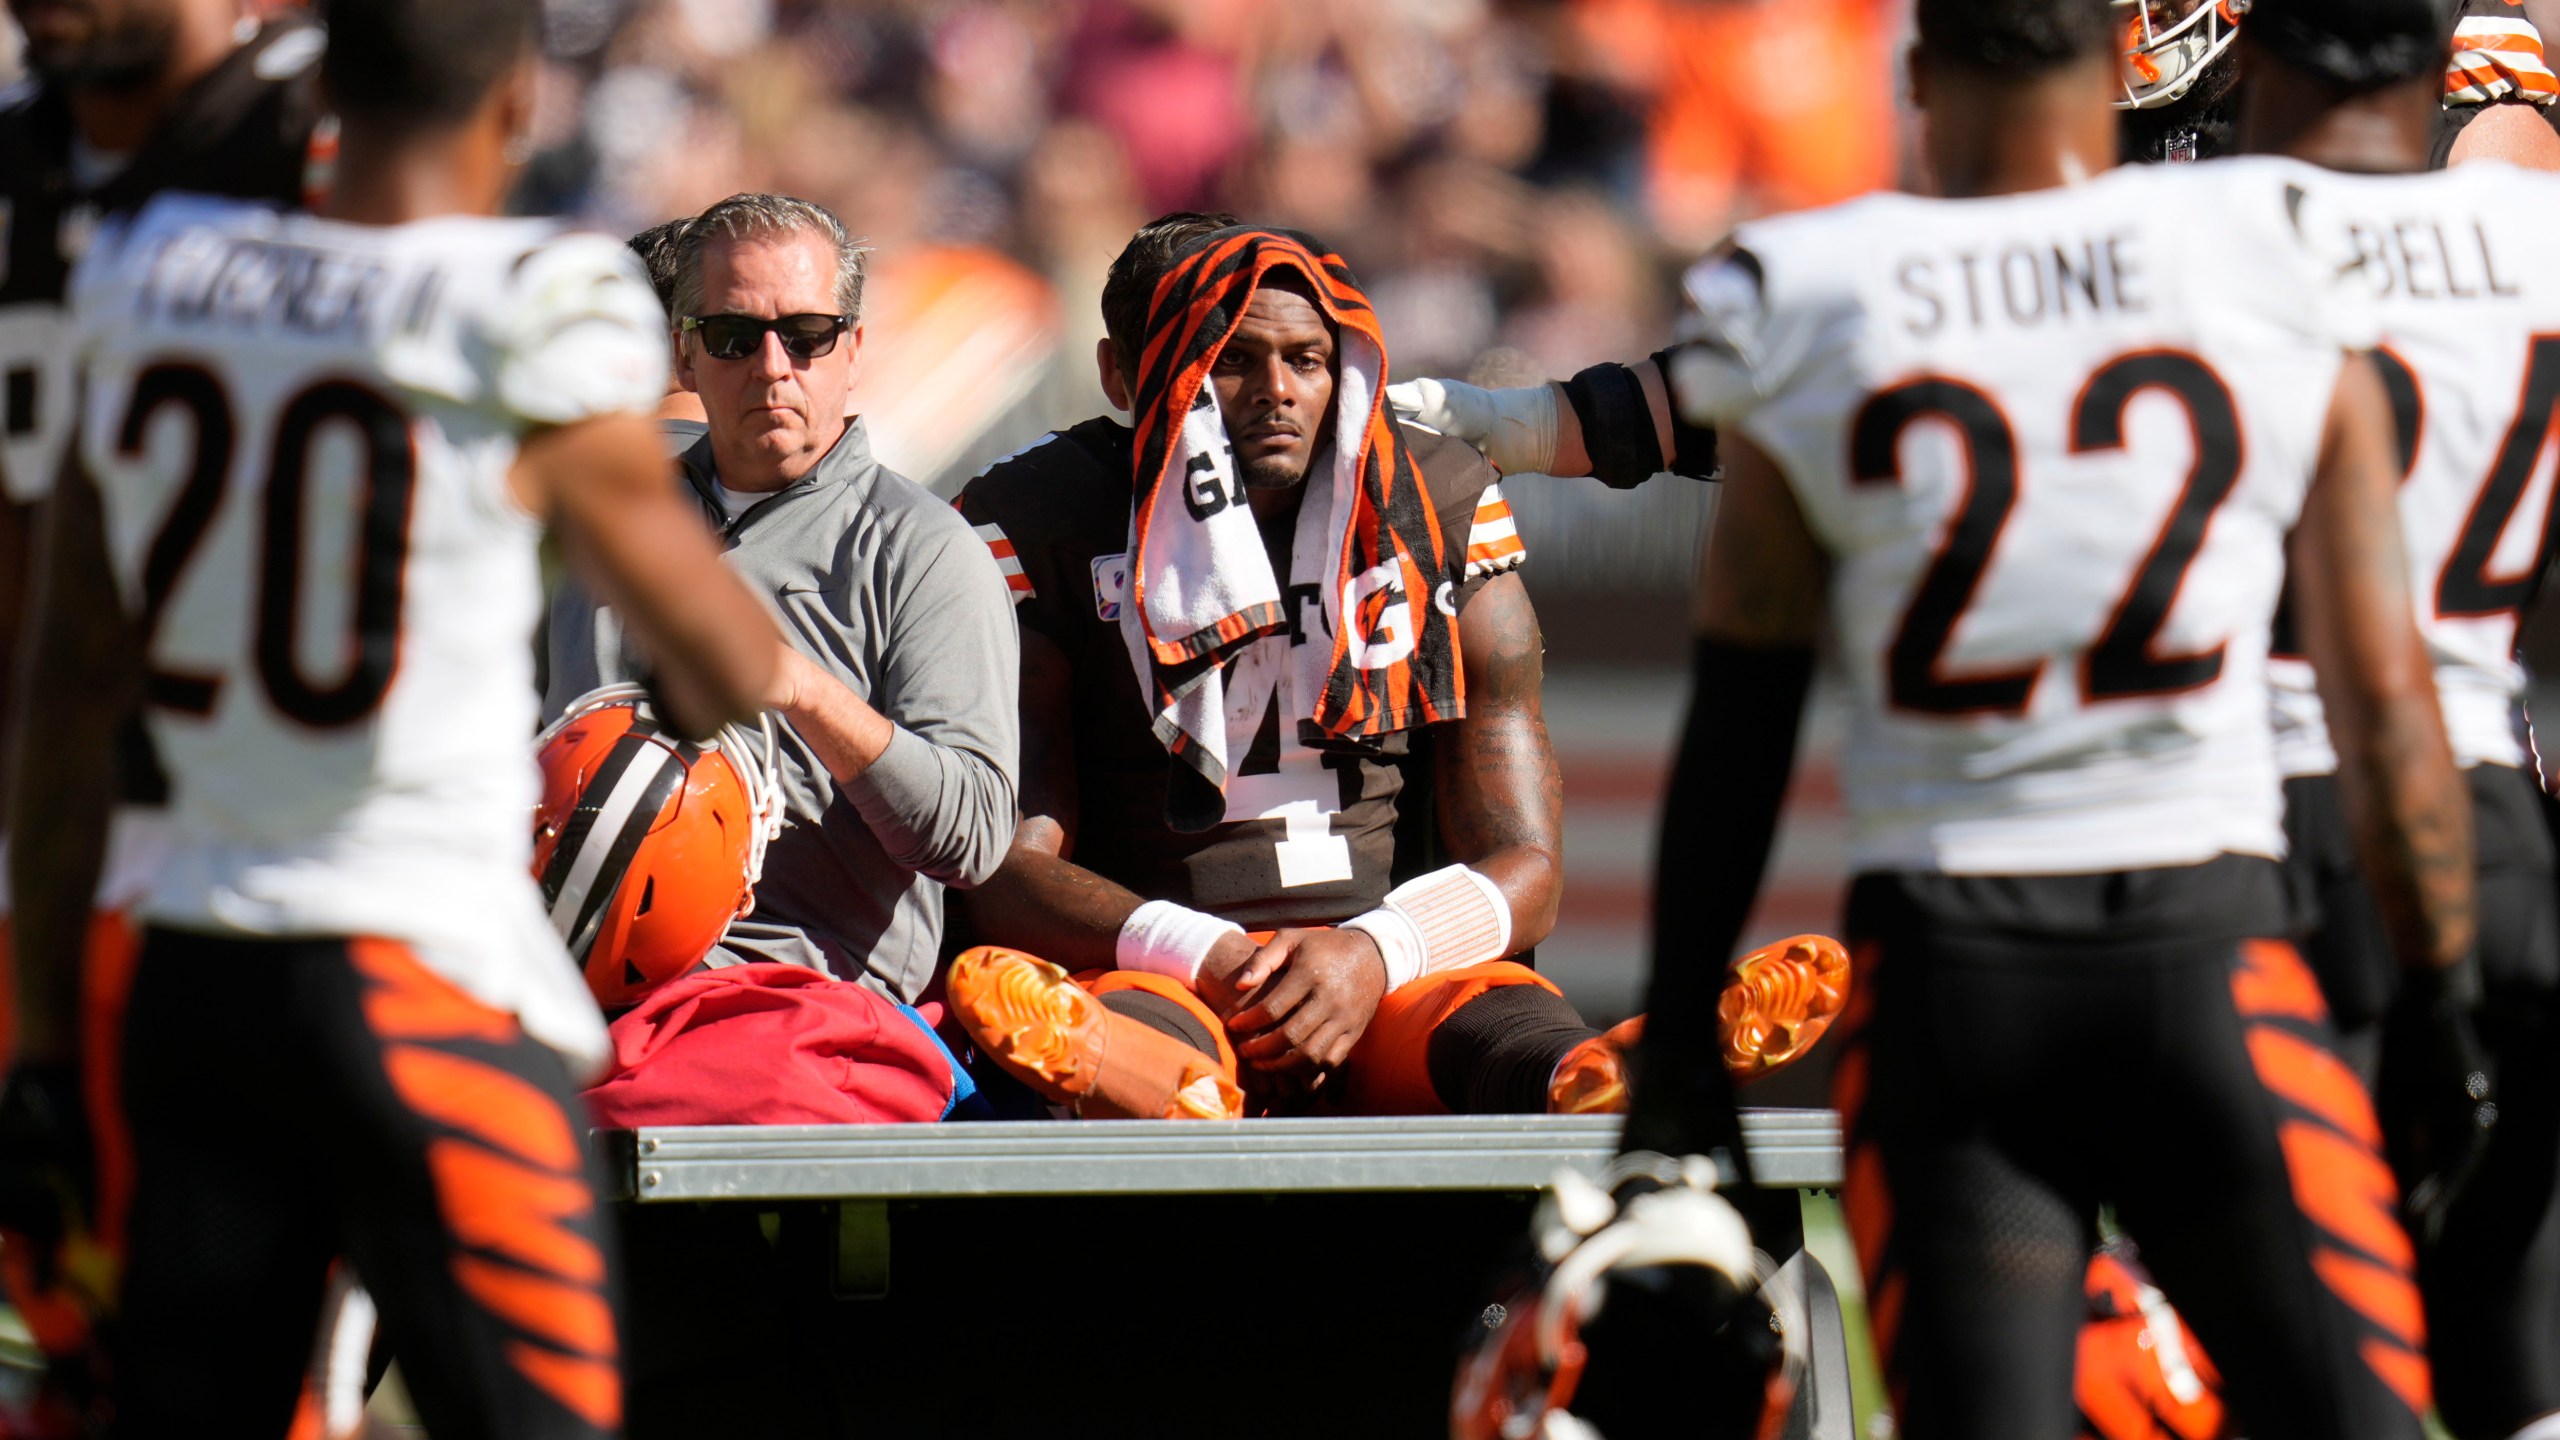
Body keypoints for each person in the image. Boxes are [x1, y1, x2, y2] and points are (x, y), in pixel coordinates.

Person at [1404, 0, 2481, 1432]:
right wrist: (2445, 984)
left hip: (1950, 979)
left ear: (1914, 74)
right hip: (2213, 939)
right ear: (2118, 68)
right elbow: (2386, 684)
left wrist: (1676, 1056)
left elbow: (1741, 725)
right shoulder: (2266, 246)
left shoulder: (1819, 289)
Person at [1, 0, 788, 1431]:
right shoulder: (523, 304)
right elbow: (730, 661)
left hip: (187, 972)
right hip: (415, 969)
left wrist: (48, 1036)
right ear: (518, 105)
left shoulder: (146, 270)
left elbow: (61, 691)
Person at [953, 213, 1747, 1120]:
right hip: (1163, 966)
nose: (1276, 392)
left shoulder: (1434, 491)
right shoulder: (1045, 513)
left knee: (1499, 1028)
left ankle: (1601, 1074)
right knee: (1136, 1030)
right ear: (1133, 372)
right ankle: (1161, 1082)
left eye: (1306, 359)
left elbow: (1529, 865)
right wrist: (1202, 951)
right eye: (1233, 359)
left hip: (1389, 969)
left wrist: (1375, 951)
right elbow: (1006, 865)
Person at [2236, 2, 2560, 1433]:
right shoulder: (2534, 252)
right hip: (2489, 793)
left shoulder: (2216, 248)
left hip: (2272, 812)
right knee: (2509, 1328)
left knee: (2294, 1338)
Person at [544, 192, 1020, 1007]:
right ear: (685, 358)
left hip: (792, 1002)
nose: (772, 368)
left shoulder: (925, 549)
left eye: (807, 337)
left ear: (855, 349)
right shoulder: (600, 516)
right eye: (735, 338)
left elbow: (972, 838)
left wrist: (804, 690)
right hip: (562, 974)